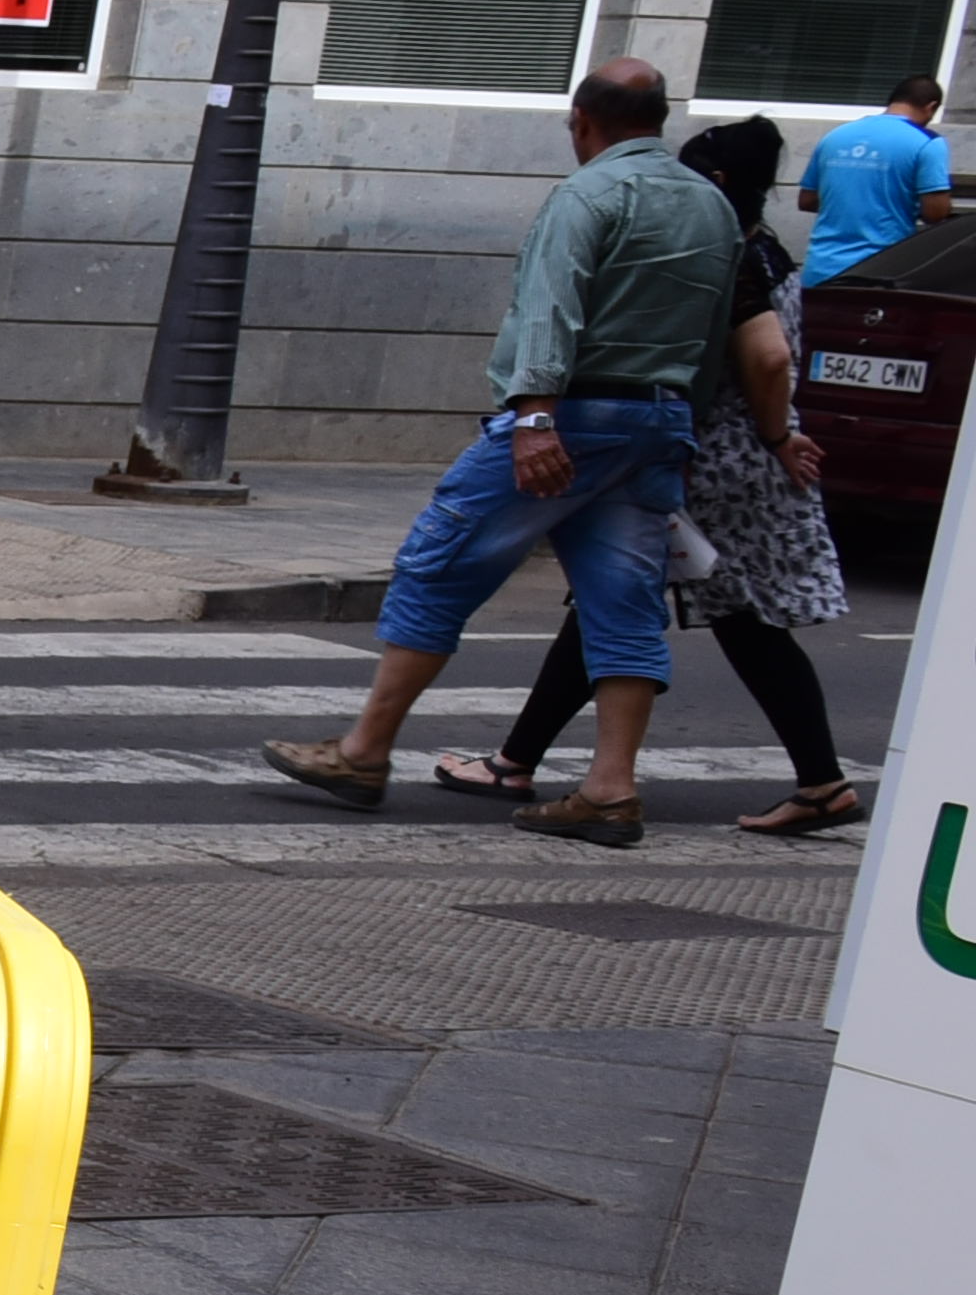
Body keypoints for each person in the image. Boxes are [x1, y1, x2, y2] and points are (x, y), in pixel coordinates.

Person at [257, 55, 734, 848]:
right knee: (623, 604)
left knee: (437, 565)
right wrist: (685, 422)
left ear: (582, 122)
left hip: (574, 412)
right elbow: (711, 330)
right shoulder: (710, 205)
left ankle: (364, 752)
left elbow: (551, 306)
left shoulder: (590, 194)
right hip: (657, 420)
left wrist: (534, 419)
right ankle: (610, 787)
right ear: (659, 121)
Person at [438, 118, 867, 840]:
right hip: (729, 455)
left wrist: (775, 433)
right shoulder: (767, 251)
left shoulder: (731, 254)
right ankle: (518, 757)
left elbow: (765, 357)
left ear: (718, 184)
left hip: (716, 459)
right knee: (636, 604)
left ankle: (820, 782)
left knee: (658, 605)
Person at [798, 71, 957, 288]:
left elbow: (806, 200)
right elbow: (935, 213)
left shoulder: (835, 136)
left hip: (820, 270)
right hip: (879, 272)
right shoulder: (928, 142)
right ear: (931, 107)